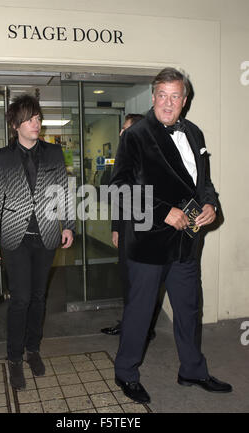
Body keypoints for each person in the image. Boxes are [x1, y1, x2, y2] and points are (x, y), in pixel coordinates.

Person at [110, 68, 232, 403]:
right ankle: (126, 372)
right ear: (153, 98)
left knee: (190, 308)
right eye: (162, 95)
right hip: (148, 242)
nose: (168, 102)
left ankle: (192, 369)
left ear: (185, 100)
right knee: (141, 311)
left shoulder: (194, 133)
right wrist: (162, 211)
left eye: (174, 96)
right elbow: (119, 189)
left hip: (187, 241)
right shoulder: (135, 136)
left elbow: (202, 183)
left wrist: (211, 205)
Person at [0, 94, 74, 390]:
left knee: (38, 297)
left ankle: (33, 349)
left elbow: (64, 191)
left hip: (47, 236)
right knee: (20, 298)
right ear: (15, 124)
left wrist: (69, 225)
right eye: (30, 119)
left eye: (38, 118)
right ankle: (14, 357)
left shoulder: (53, 153)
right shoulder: (3, 157)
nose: (36, 123)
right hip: (14, 238)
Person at [101, 114, 157, 340]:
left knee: (143, 282)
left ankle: (144, 329)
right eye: (122, 130)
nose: (121, 134)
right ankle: (130, 324)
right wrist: (116, 228)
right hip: (126, 230)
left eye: (126, 130)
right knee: (127, 279)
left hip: (145, 232)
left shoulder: (151, 161)